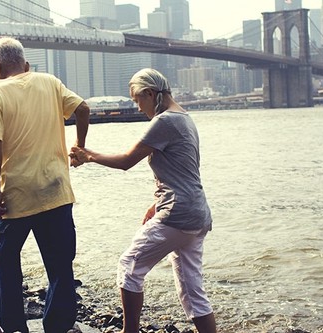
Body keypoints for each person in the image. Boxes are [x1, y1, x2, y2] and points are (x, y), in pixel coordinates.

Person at [70, 68, 217, 333]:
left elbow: (127, 161)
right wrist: (156, 202)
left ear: (150, 93)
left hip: (178, 213)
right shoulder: (184, 117)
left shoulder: (165, 121)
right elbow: (182, 170)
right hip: (197, 213)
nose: (138, 108)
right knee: (193, 290)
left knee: (129, 268)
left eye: (138, 100)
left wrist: (89, 155)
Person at [0, 37, 90, 333]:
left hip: (16, 196)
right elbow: (83, 109)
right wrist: (79, 147)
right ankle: (57, 327)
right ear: (26, 64)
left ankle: (15, 327)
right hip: (56, 192)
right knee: (60, 267)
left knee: (4, 262)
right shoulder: (50, 82)